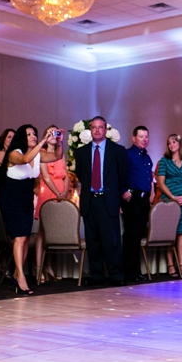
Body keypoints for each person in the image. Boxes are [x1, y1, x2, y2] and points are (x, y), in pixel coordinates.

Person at [0, 124, 64, 294]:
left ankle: (16, 274)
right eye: (29, 134)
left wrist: (59, 142)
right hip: (11, 198)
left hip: (26, 198)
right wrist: (43, 141)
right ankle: (21, 277)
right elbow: (24, 159)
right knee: (19, 237)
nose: (33, 136)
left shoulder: (38, 154)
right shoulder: (14, 153)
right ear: (22, 137)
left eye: (34, 134)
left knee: (26, 238)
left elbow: (57, 156)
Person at [74, 116, 128, 286]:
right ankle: (96, 276)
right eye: (94, 127)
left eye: (100, 127)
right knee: (92, 240)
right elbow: (80, 174)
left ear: (105, 130)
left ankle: (116, 275)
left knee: (111, 240)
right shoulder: (81, 152)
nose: (97, 130)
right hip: (90, 200)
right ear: (90, 130)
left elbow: (122, 175)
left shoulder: (117, 151)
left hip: (108, 200)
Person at [156, 134, 182, 278]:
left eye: (174, 142)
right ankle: (170, 265)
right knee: (170, 232)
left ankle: (181, 264)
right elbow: (160, 182)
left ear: (180, 143)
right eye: (169, 143)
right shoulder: (164, 161)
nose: (171, 145)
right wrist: (173, 197)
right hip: (169, 201)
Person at [34, 125, 70, 284]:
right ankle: (38, 268)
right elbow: (46, 177)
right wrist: (57, 192)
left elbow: (66, 175)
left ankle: (48, 265)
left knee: (52, 232)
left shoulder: (60, 154)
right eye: (52, 133)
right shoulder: (42, 153)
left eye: (57, 133)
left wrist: (65, 192)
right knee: (42, 232)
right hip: (48, 191)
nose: (55, 136)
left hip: (61, 193)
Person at [121, 126, 153, 282]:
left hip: (144, 200)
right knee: (131, 236)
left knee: (139, 235)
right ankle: (129, 273)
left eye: (146, 136)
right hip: (131, 198)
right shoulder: (127, 155)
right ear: (134, 138)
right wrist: (122, 191)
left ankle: (136, 271)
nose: (144, 139)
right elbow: (118, 174)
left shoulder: (147, 158)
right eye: (141, 136)